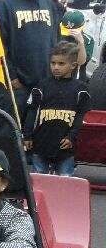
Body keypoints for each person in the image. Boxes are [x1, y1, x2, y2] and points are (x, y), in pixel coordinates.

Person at [0, 0, 59, 129]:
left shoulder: (48, 3)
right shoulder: (2, 4)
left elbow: (55, 42)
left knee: (38, 135)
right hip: (13, 89)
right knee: (6, 137)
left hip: (43, 86)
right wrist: (12, 79)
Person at [24, 41, 90, 176]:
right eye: (53, 63)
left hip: (66, 147)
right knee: (39, 181)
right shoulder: (41, 87)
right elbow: (32, 113)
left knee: (65, 182)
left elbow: (79, 118)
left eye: (61, 64)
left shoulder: (81, 90)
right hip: (41, 144)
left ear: (73, 65)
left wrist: (71, 137)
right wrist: (27, 136)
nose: (56, 67)